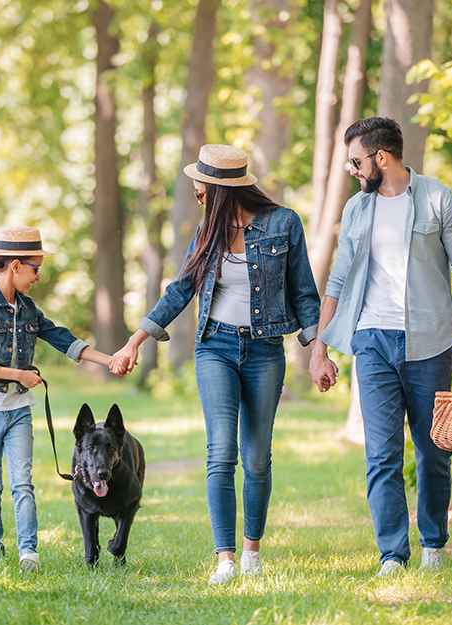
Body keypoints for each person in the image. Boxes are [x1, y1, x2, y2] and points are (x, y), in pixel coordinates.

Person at [111, 144, 321, 584]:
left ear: (222, 190)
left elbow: (304, 293)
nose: (198, 197)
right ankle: (225, 559)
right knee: (221, 452)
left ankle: (251, 554)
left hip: (265, 350)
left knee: (257, 458)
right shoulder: (208, 232)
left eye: (201, 190)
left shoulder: (283, 224)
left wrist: (318, 351)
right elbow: (180, 290)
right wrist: (134, 341)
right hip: (215, 348)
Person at [307, 117, 452, 577]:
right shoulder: (357, 209)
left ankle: (433, 543)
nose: (353, 170)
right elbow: (337, 279)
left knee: (433, 451)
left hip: (429, 342)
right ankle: (392, 554)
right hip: (371, 340)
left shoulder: (439, 199)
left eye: (356, 161)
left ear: (381, 157)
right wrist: (320, 348)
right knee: (381, 455)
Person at [0, 226, 118, 573]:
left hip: (18, 409)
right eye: (35, 269)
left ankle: (28, 552)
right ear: (16, 265)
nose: (37, 277)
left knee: (23, 483)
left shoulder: (29, 309)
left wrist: (110, 360)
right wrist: (19, 375)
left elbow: (65, 340)